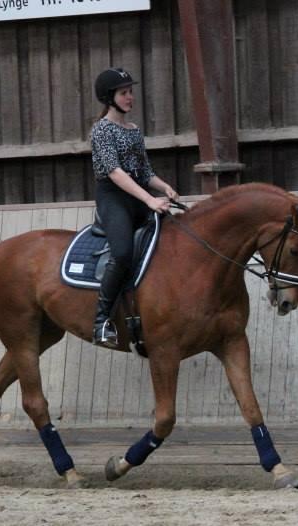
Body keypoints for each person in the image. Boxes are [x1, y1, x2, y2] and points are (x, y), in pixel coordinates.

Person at [89, 67, 178, 348]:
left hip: (138, 196)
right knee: (123, 252)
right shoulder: (101, 130)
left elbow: (144, 171)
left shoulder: (134, 130)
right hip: (114, 199)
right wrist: (150, 200)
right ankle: (101, 321)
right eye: (124, 93)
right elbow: (115, 173)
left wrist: (163, 187)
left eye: (130, 92)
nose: (130, 97)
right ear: (109, 97)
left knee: (172, 236)